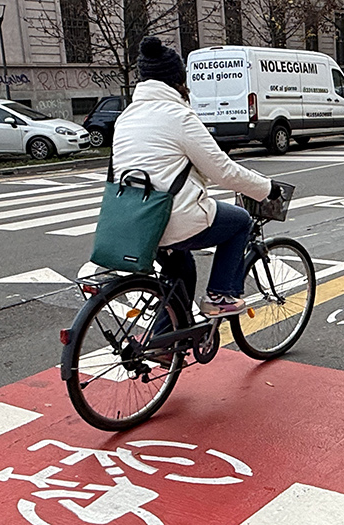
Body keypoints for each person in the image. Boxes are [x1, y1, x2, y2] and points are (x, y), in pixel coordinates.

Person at [110, 36, 277, 318]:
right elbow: (223, 170)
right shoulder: (179, 116)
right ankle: (220, 296)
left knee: (182, 270)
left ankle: (166, 343)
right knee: (240, 222)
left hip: (136, 221)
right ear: (177, 80)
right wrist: (265, 188)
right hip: (172, 216)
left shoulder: (126, 117)